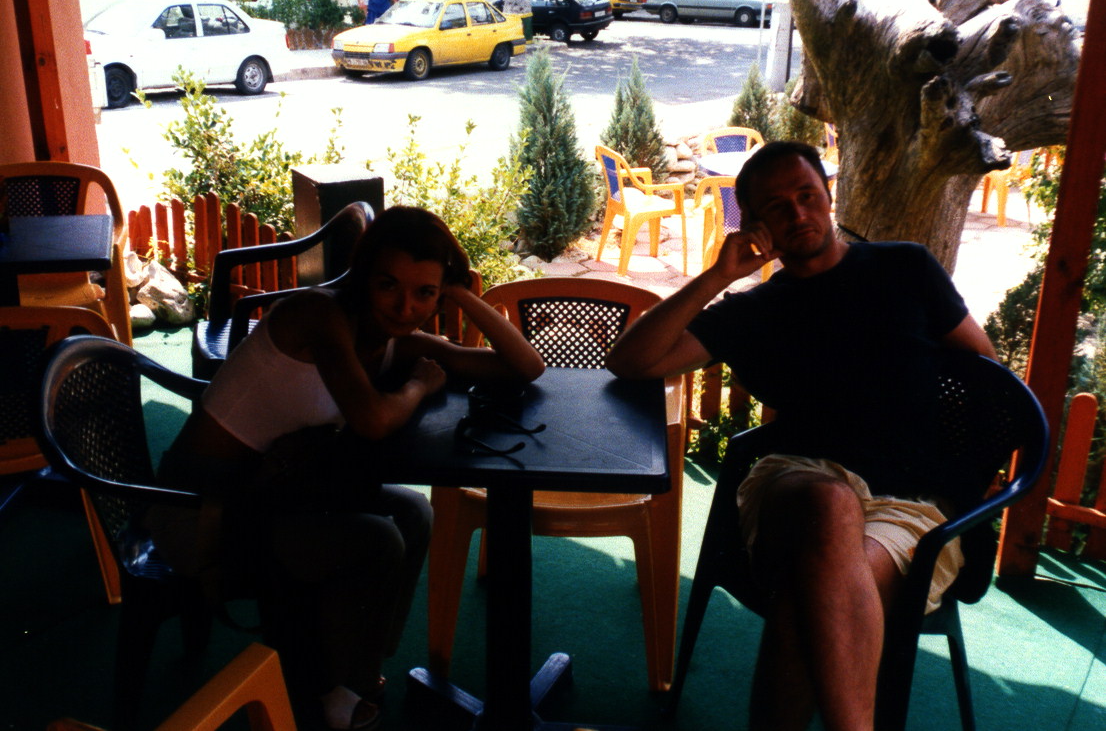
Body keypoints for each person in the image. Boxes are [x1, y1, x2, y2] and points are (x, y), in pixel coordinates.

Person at [606, 141, 996, 731]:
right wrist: (717, 276)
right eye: (777, 206)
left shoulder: (905, 269)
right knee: (829, 504)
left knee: (810, 599)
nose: (798, 213)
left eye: (807, 195)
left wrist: (970, 478)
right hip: (797, 481)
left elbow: (985, 372)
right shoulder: (755, 311)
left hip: (907, 506)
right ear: (754, 224)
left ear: (828, 195)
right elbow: (631, 362)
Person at [145, 206, 545, 731]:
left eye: (424, 293)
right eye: (388, 285)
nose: (406, 307)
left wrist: (461, 292)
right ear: (363, 275)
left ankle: (353, 677)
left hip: (269, 496)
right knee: (378, 542)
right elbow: (373, 420)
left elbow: (526, 367)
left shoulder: (394, 341)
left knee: (414, 511)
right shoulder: (318, 314)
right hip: (199, 514)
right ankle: (335, 695)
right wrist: (417, 386)